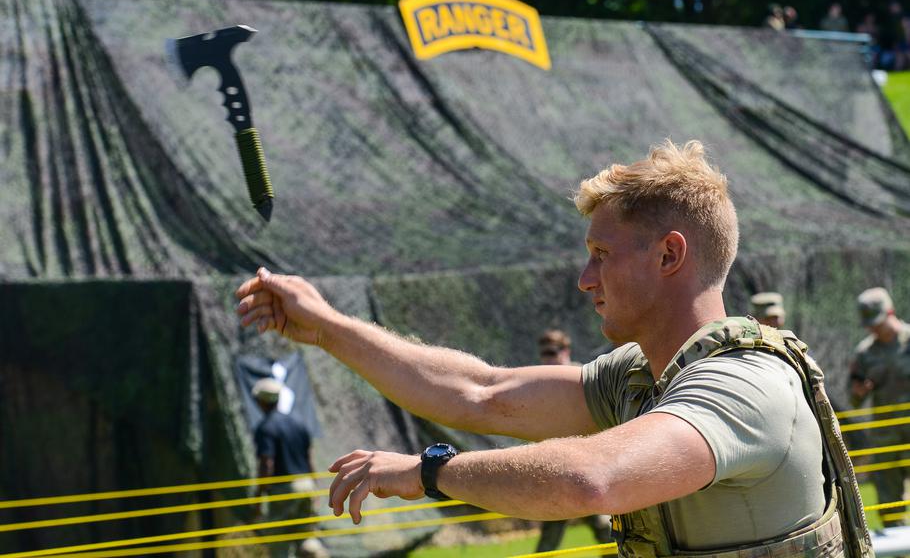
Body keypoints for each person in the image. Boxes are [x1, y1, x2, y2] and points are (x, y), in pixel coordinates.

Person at [236, 140, 870, 556]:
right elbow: (481, 393)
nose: (584, 279)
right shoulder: (644, 375)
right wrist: (326, 328)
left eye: (601, 256)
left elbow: (591, 480)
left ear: (671, 255)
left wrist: (429, 472)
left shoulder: (745, 386)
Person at [534, 330, 612, 552]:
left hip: (585, 466)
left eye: (551, 352)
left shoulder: (583, 376)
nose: (546, 358)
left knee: (603, 528)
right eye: (543, 353)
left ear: (565, 351)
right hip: (556, 468)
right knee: (551, 533)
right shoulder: (539, 382)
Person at [849, 287, 910, 527]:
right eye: (869, 324)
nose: (874, 328)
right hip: (887, 440)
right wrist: (859, 392)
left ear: (891, 312)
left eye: (878, 321)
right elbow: (854, 399)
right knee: (889, 505)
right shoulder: (864, 353)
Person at [252, 378, 328, 558]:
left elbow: (267, 464)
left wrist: (259, 495)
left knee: (279, 542)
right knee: (306, 537)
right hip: (307, 486)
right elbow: (310, 459)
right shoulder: (298, 423)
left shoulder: (265, 428)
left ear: (261, 401)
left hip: (284, 489)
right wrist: (315, 487)